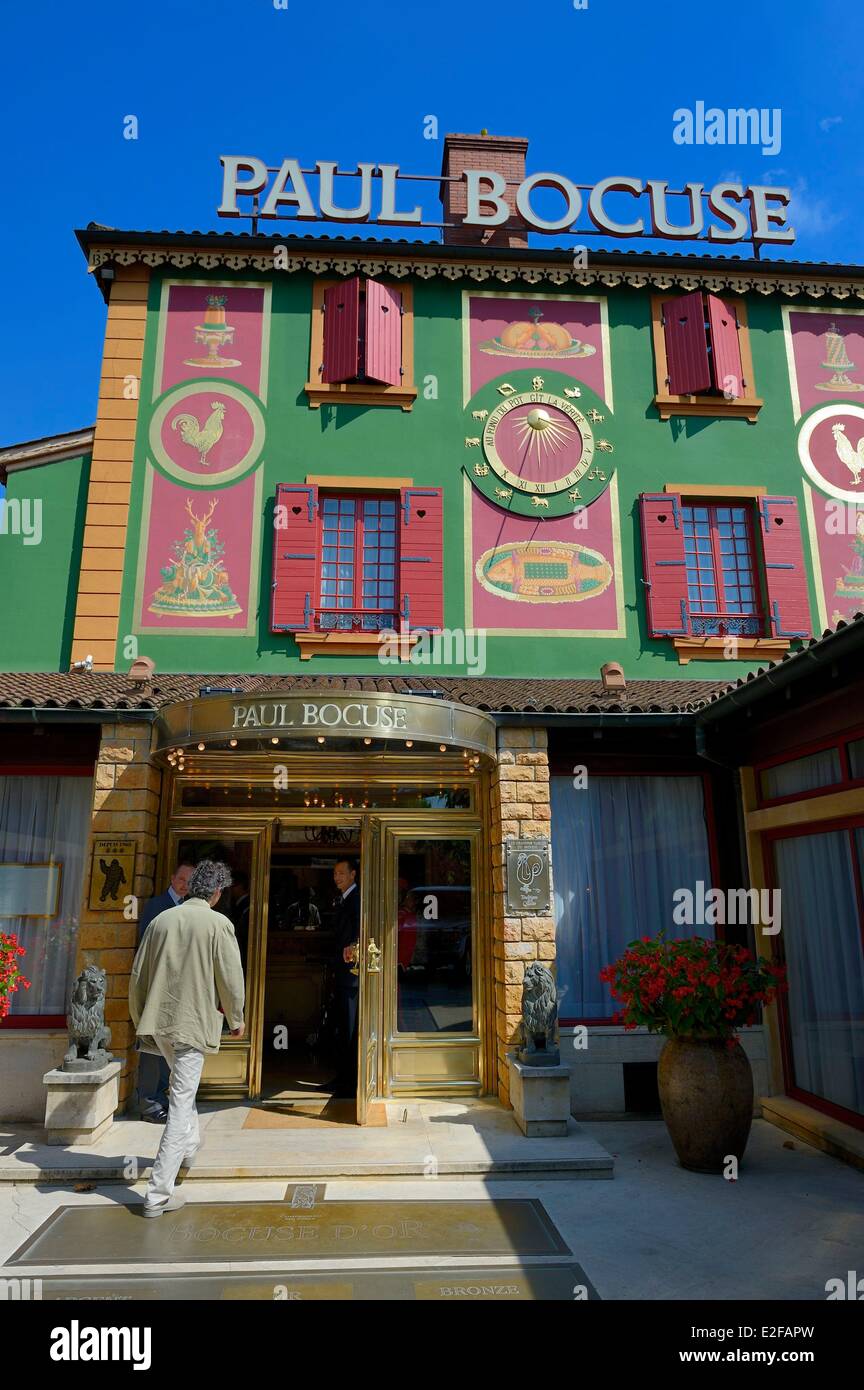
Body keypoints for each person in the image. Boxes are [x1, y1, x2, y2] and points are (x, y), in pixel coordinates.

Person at [129, 860, 245, 1218]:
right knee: (180, 1103)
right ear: (216, 892)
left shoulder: (162, 921)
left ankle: (191, 1148)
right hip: (191, 1025)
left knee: (183, 1089)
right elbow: (230, 977)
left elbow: (138, 976)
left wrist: (140, 1020)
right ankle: (159, 1192)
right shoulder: (218, 924)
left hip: (159, 1023)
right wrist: (236, 1018)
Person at [136, 861, 195, 1122]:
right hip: (159, 985)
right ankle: (149, 1103)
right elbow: (146, 946)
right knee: (153, 1046)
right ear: (172, 878)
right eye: (182, 879)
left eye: (189, 881)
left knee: (171, 1043)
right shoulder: (156, 906)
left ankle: (166, 1097)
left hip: (181, 989)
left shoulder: (191, 909)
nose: (185, 884)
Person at [331, 858, 360, 1098]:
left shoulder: (357, 898)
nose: (337, 877)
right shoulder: (345, 898)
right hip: (341, 974)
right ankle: (342, 1078)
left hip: (352, 975)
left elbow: (361, 930)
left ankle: (350, 1083)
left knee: (350, 1028)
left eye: (341, 873)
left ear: (353, 874)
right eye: (335, 874)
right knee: (342, 1026)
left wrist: (354, 946)